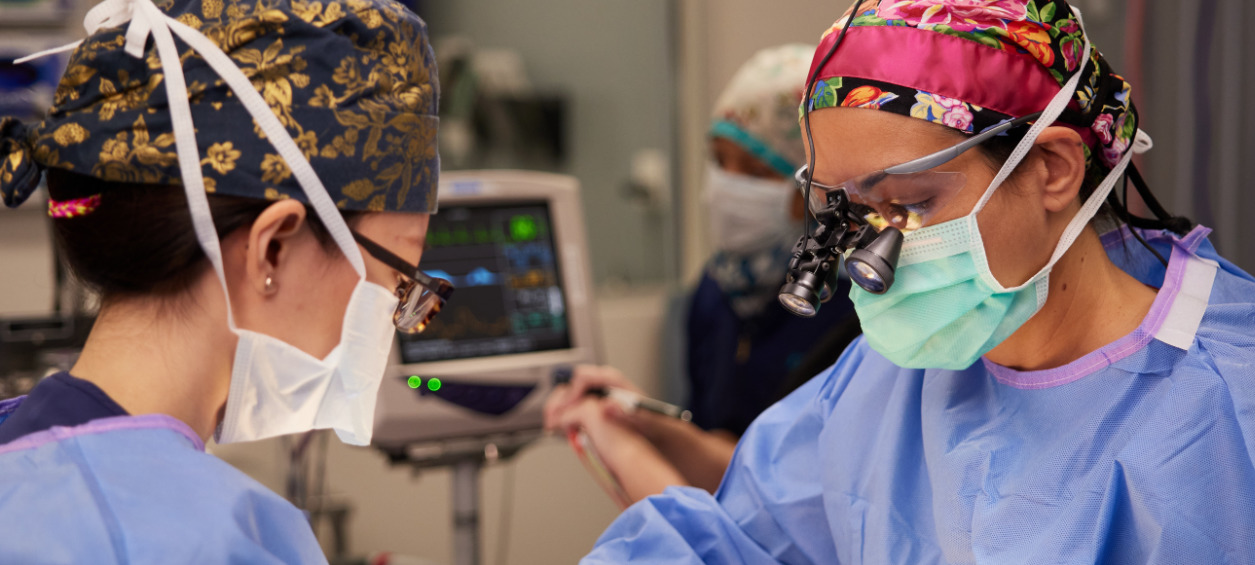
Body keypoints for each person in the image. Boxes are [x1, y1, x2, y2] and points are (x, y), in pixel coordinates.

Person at [583, 0, 1255, 563]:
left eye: (908, 203)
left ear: (1051, 168)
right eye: (852, 211)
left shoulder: (1222, 411)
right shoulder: (892, 375)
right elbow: (733, 538)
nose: (876, 253)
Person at [0, 0, 448, 561]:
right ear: (272, 249)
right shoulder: (201, 541)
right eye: (399, 279)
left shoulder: (26, 457)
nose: (399, 313)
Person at [545, 44, 861, 506]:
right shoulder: (717, 291)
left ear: (820, 190)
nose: (727, 187)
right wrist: (637, 417)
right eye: (718, 162)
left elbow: (780, 490)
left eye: (755, 170)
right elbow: (723, 458)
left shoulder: (851, 311)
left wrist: (623, 437)